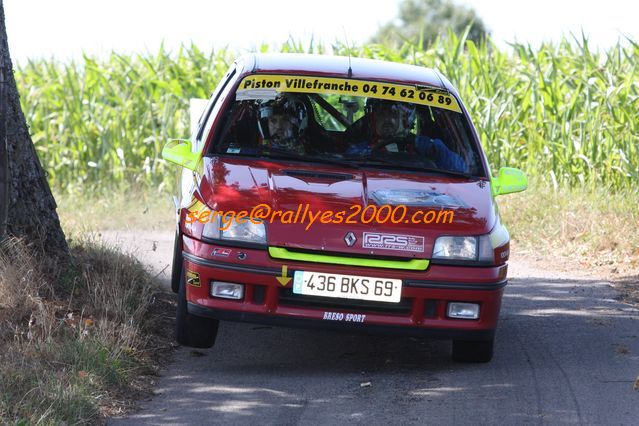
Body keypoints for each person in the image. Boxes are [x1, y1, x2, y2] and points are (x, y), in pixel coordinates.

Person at [344, 98, 466, 173]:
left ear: (406, 119)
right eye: (381, 113)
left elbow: (462, 170)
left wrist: (435, 149)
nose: (387, 119)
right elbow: (346, 165)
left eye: (393, 113)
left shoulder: (424, 147)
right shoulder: (359, 151)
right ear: (372, 119)